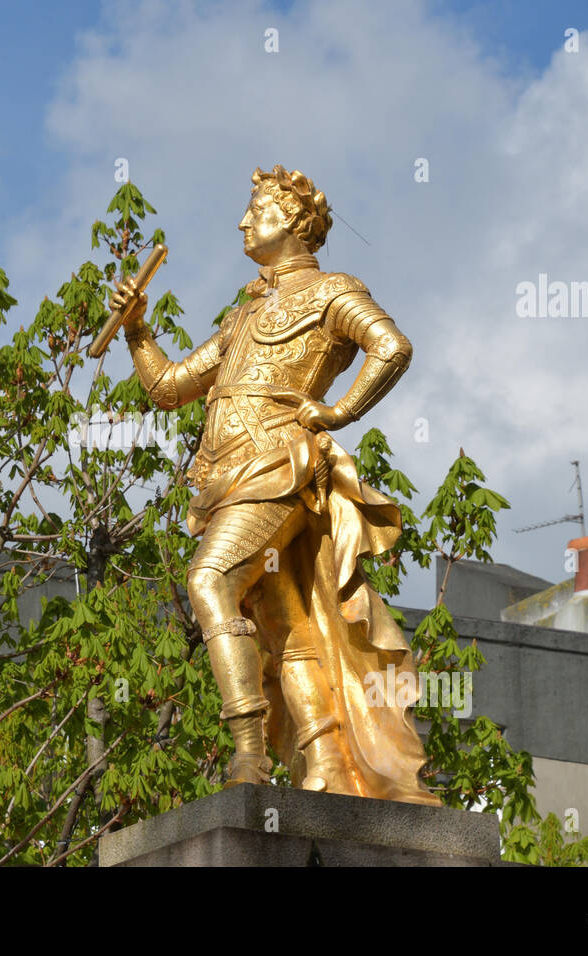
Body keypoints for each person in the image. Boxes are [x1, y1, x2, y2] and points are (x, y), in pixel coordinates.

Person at [110, 165, 438, 804]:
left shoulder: (330, 292)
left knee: (209, 581)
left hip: (275, 468)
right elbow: (169, 387)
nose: (242, 221)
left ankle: (249, 758)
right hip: (223, 476)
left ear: (292, 219)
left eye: (255, 209)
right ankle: (327, 766)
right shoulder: (243, 313)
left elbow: (391, 347)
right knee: (287, 625)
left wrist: (337, 411)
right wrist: (137, 330)